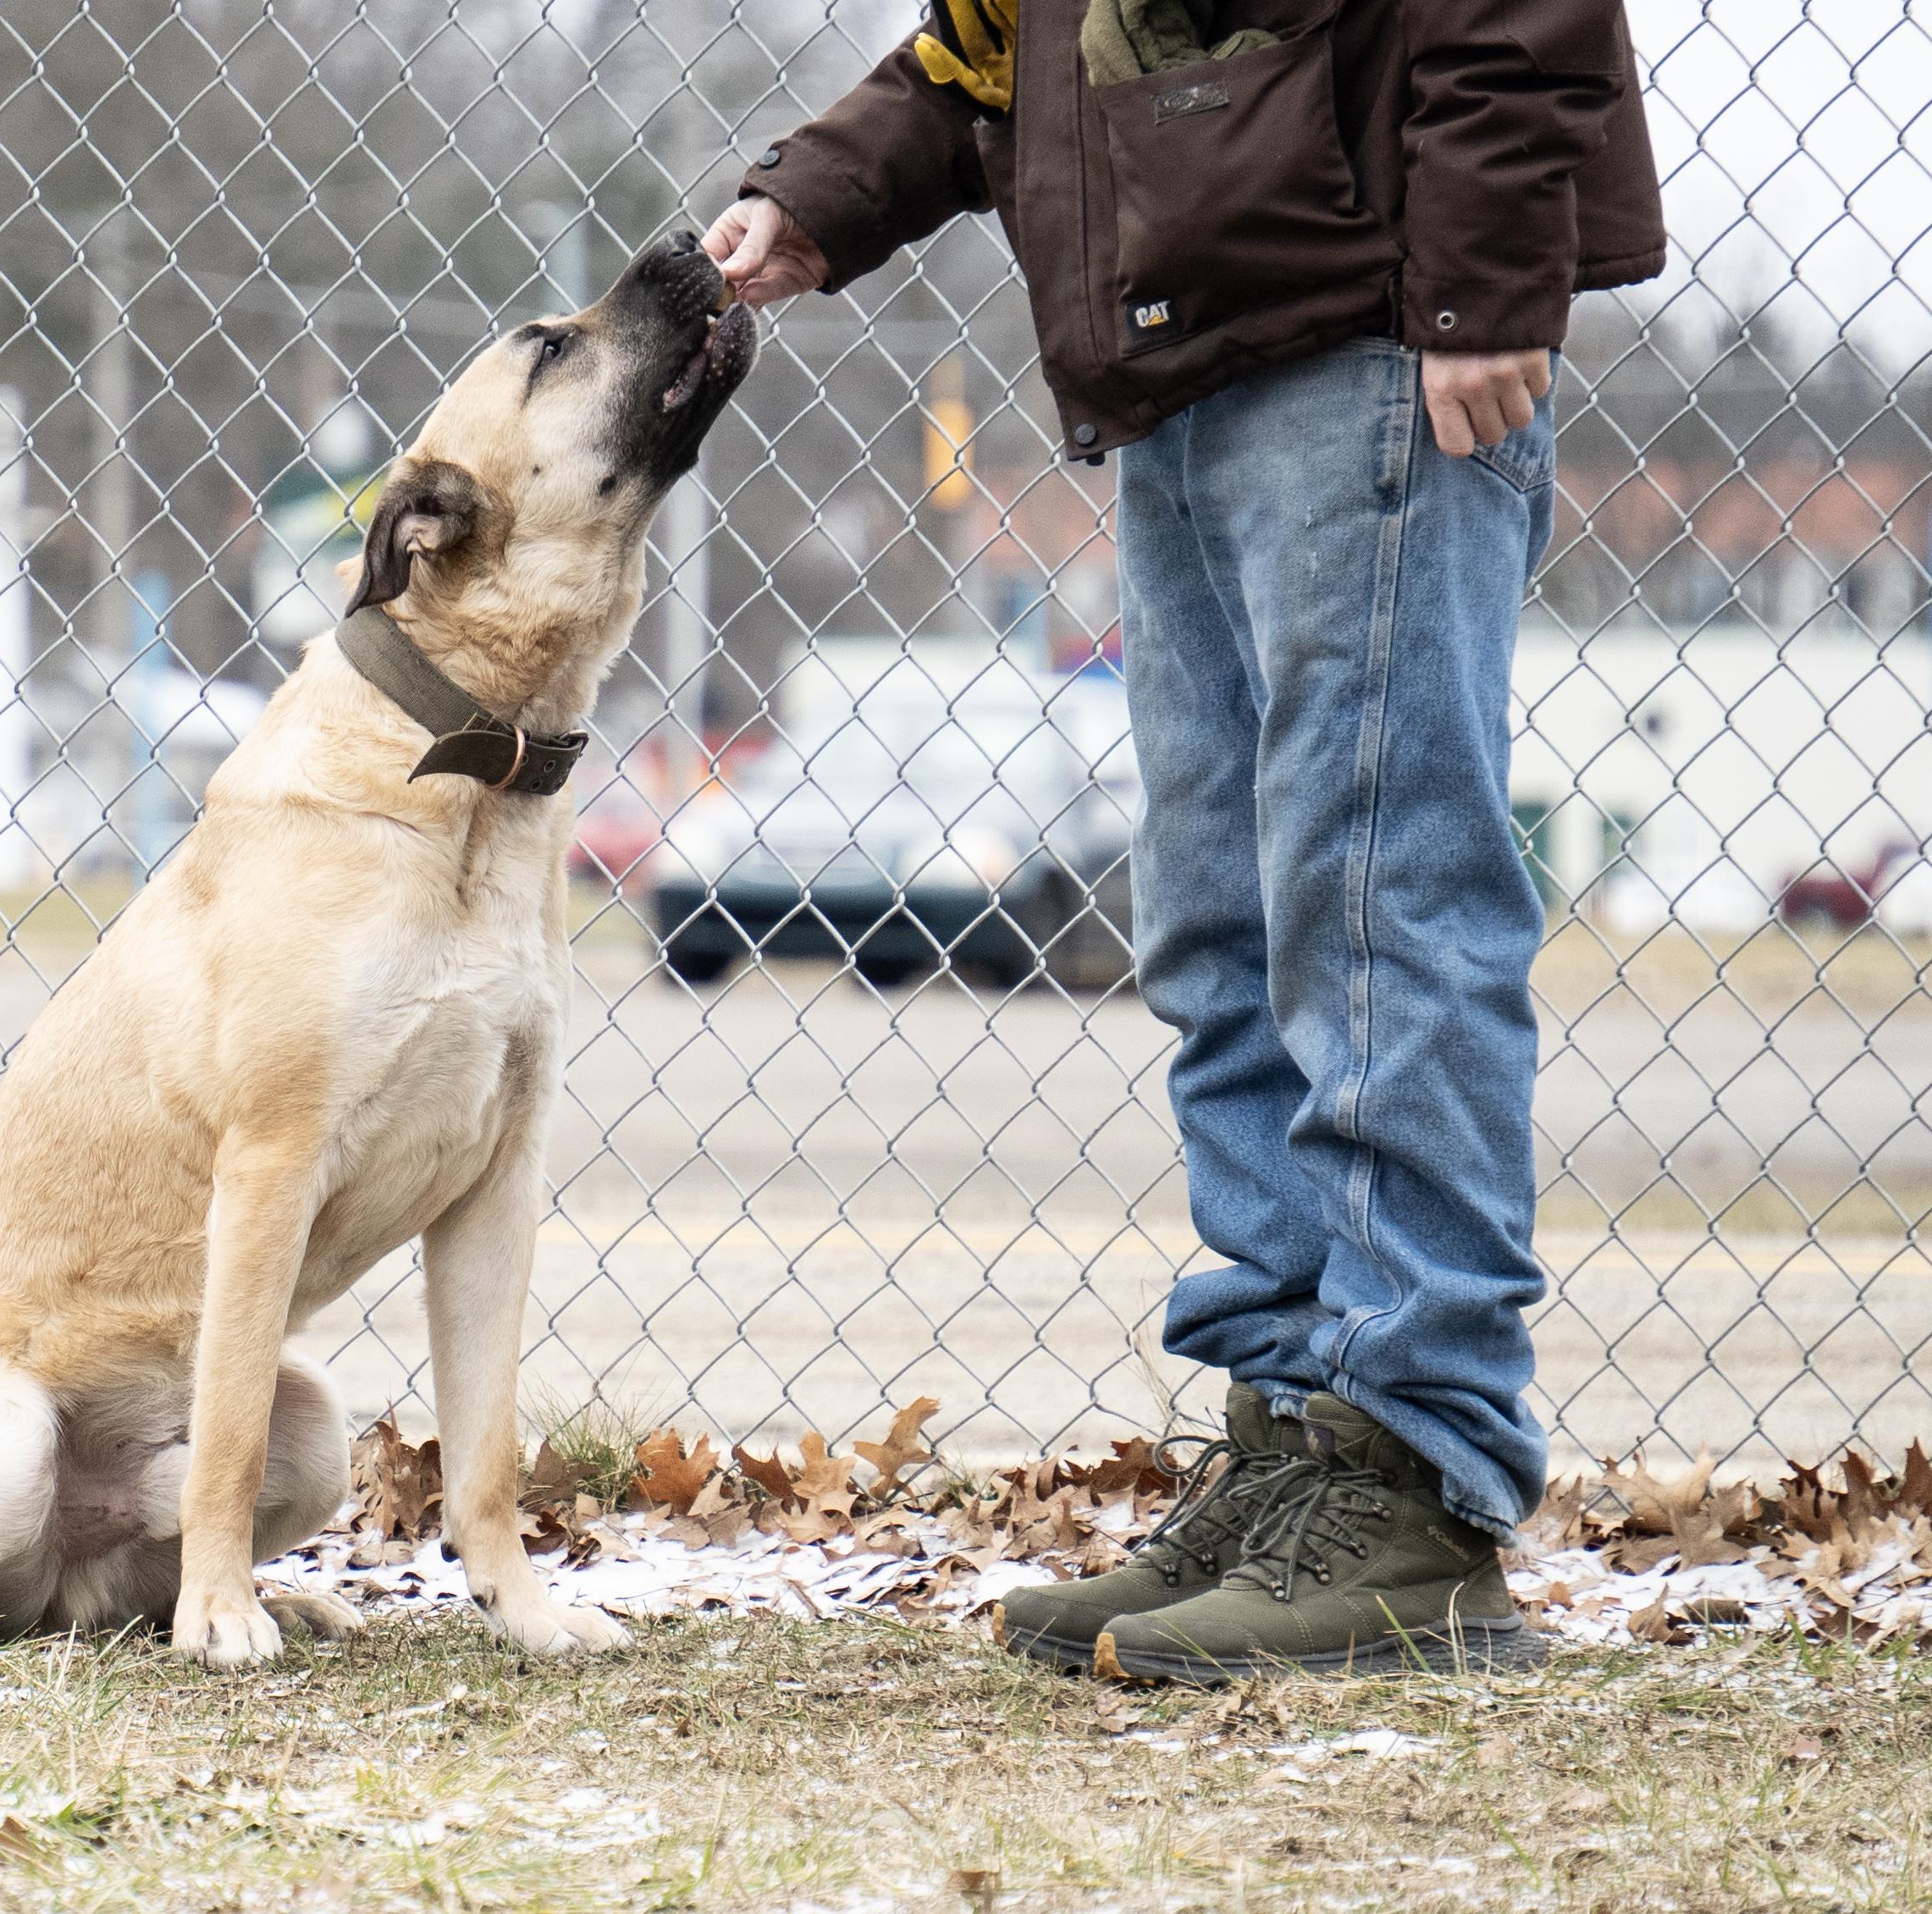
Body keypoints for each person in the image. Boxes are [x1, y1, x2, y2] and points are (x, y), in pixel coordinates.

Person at [706, 0, 1662, 1681]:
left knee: (1369, 897)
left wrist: (1479, 279)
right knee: (1225, 924)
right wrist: (820, 194)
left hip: (1367, 330)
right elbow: (991, 47)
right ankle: (1294, 1446)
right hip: (1182, 355)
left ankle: (1408, 1485)